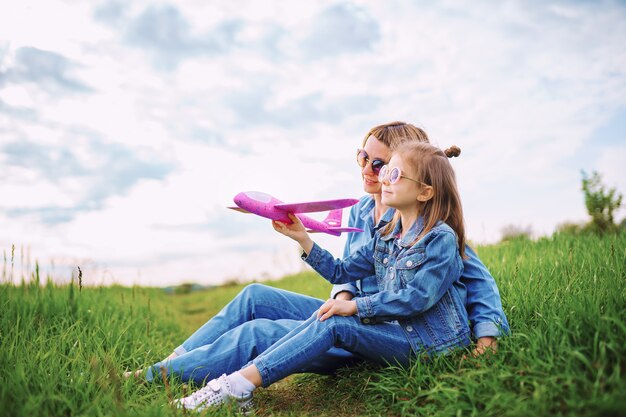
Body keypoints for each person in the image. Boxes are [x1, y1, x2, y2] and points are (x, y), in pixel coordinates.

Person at [126, 122, 508, 386]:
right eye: (363, 157)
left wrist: (486, 339)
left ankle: (155, 379)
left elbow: (477, 280)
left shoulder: (419, 221)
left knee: (259, 334)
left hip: (375, 329)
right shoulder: (360, 210)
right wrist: (336, 289)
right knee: (255, 295)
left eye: (382, 164)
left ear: (402, 169)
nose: (369, 169)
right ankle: (173, 362)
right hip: (347, 311)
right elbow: (346, 270)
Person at [172, 141, 478, 412]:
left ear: (425, 191)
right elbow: (341, 271)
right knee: (329, 313)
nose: (383, 180)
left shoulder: (440, 238)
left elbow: (417, 298)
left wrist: (356, 306)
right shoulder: (386, 235)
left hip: (430, 344)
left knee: (336, 320)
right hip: (394, 330)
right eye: (386, 173)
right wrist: (303, 239)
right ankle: (232, 384)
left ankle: (235, 387)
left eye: (393, 174)